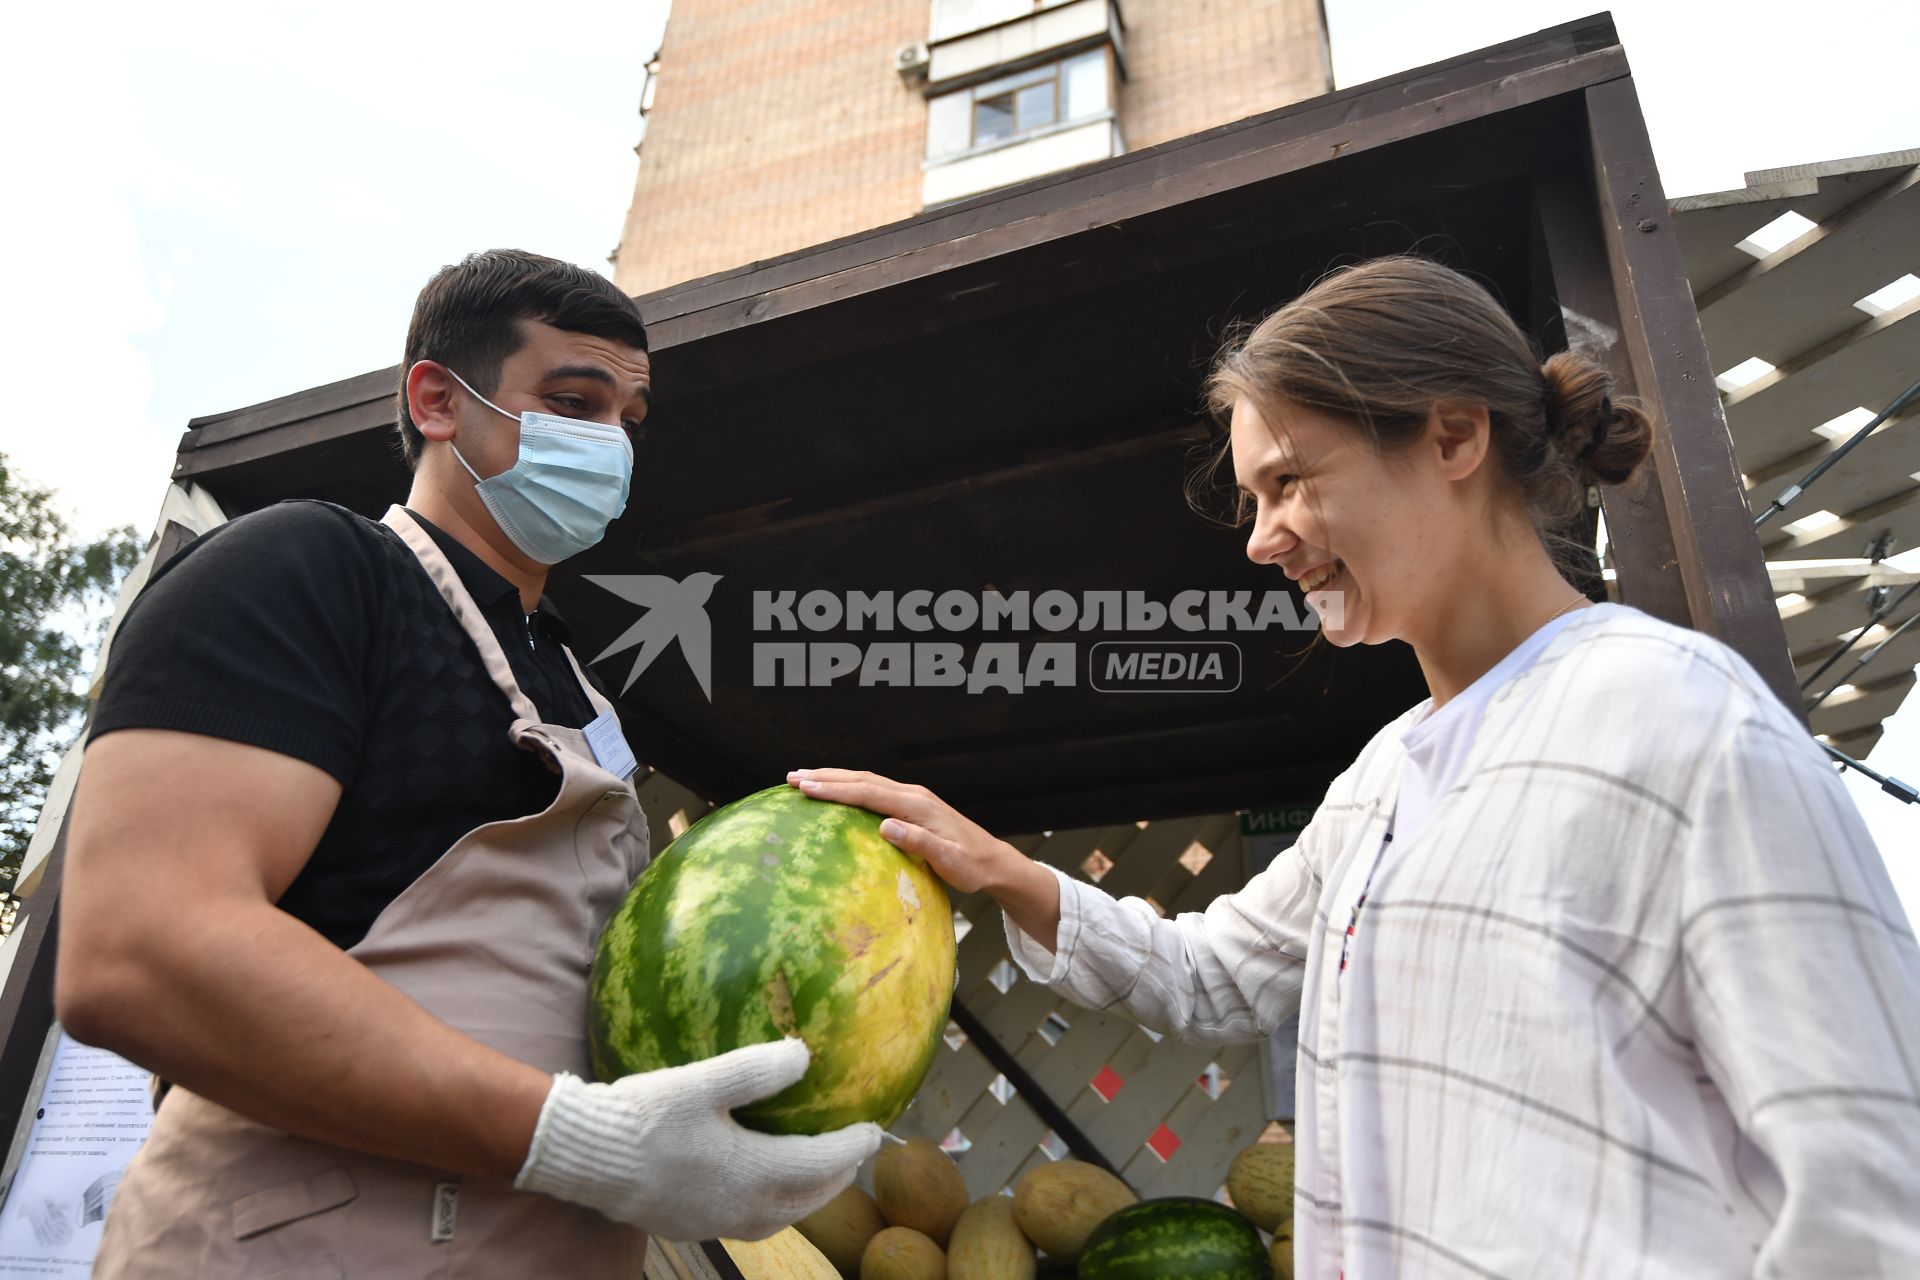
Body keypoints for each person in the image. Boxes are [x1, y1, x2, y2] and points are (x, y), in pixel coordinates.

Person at [787, 256, 1920, 1277]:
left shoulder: (1679, 719)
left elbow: (1871, 1189)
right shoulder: (1384, 778)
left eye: (1287, 481)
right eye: (1252, 500)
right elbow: (1214, 972)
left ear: (1452, 437)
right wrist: (1000, 868)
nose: (1261, 538)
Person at [59, 249, 879, 1278]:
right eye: (573, 400)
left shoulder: (576, 677)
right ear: (440, 401)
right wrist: (579, 1139)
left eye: (629, 416)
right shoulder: (312, 572)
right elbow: (140, 947)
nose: (611, 444)